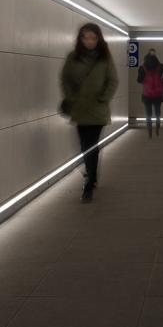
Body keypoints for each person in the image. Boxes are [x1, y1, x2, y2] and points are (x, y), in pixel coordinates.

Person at [60, 22, 119, 202]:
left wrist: (102, 99)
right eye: (85, 37)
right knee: (85, 145)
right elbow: (65, 79)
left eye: (93, 37)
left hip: (98, 110)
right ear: (80, 39)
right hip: (80, 109)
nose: (89, 41)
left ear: (98, 39)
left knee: (91, 145)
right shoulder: (73, 57)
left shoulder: (104, 58)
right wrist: (71, 96)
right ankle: (91, 177)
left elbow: (113, 81)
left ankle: (88, 183)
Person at [137, 49, 163, 137]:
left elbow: (139, 80)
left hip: (147, 95)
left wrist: (144, 80)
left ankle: (149, 132)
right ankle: (157, 129)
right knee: (157, 113)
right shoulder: (161, 66)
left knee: (148, 114)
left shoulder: (142, 67)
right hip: (158, 95)